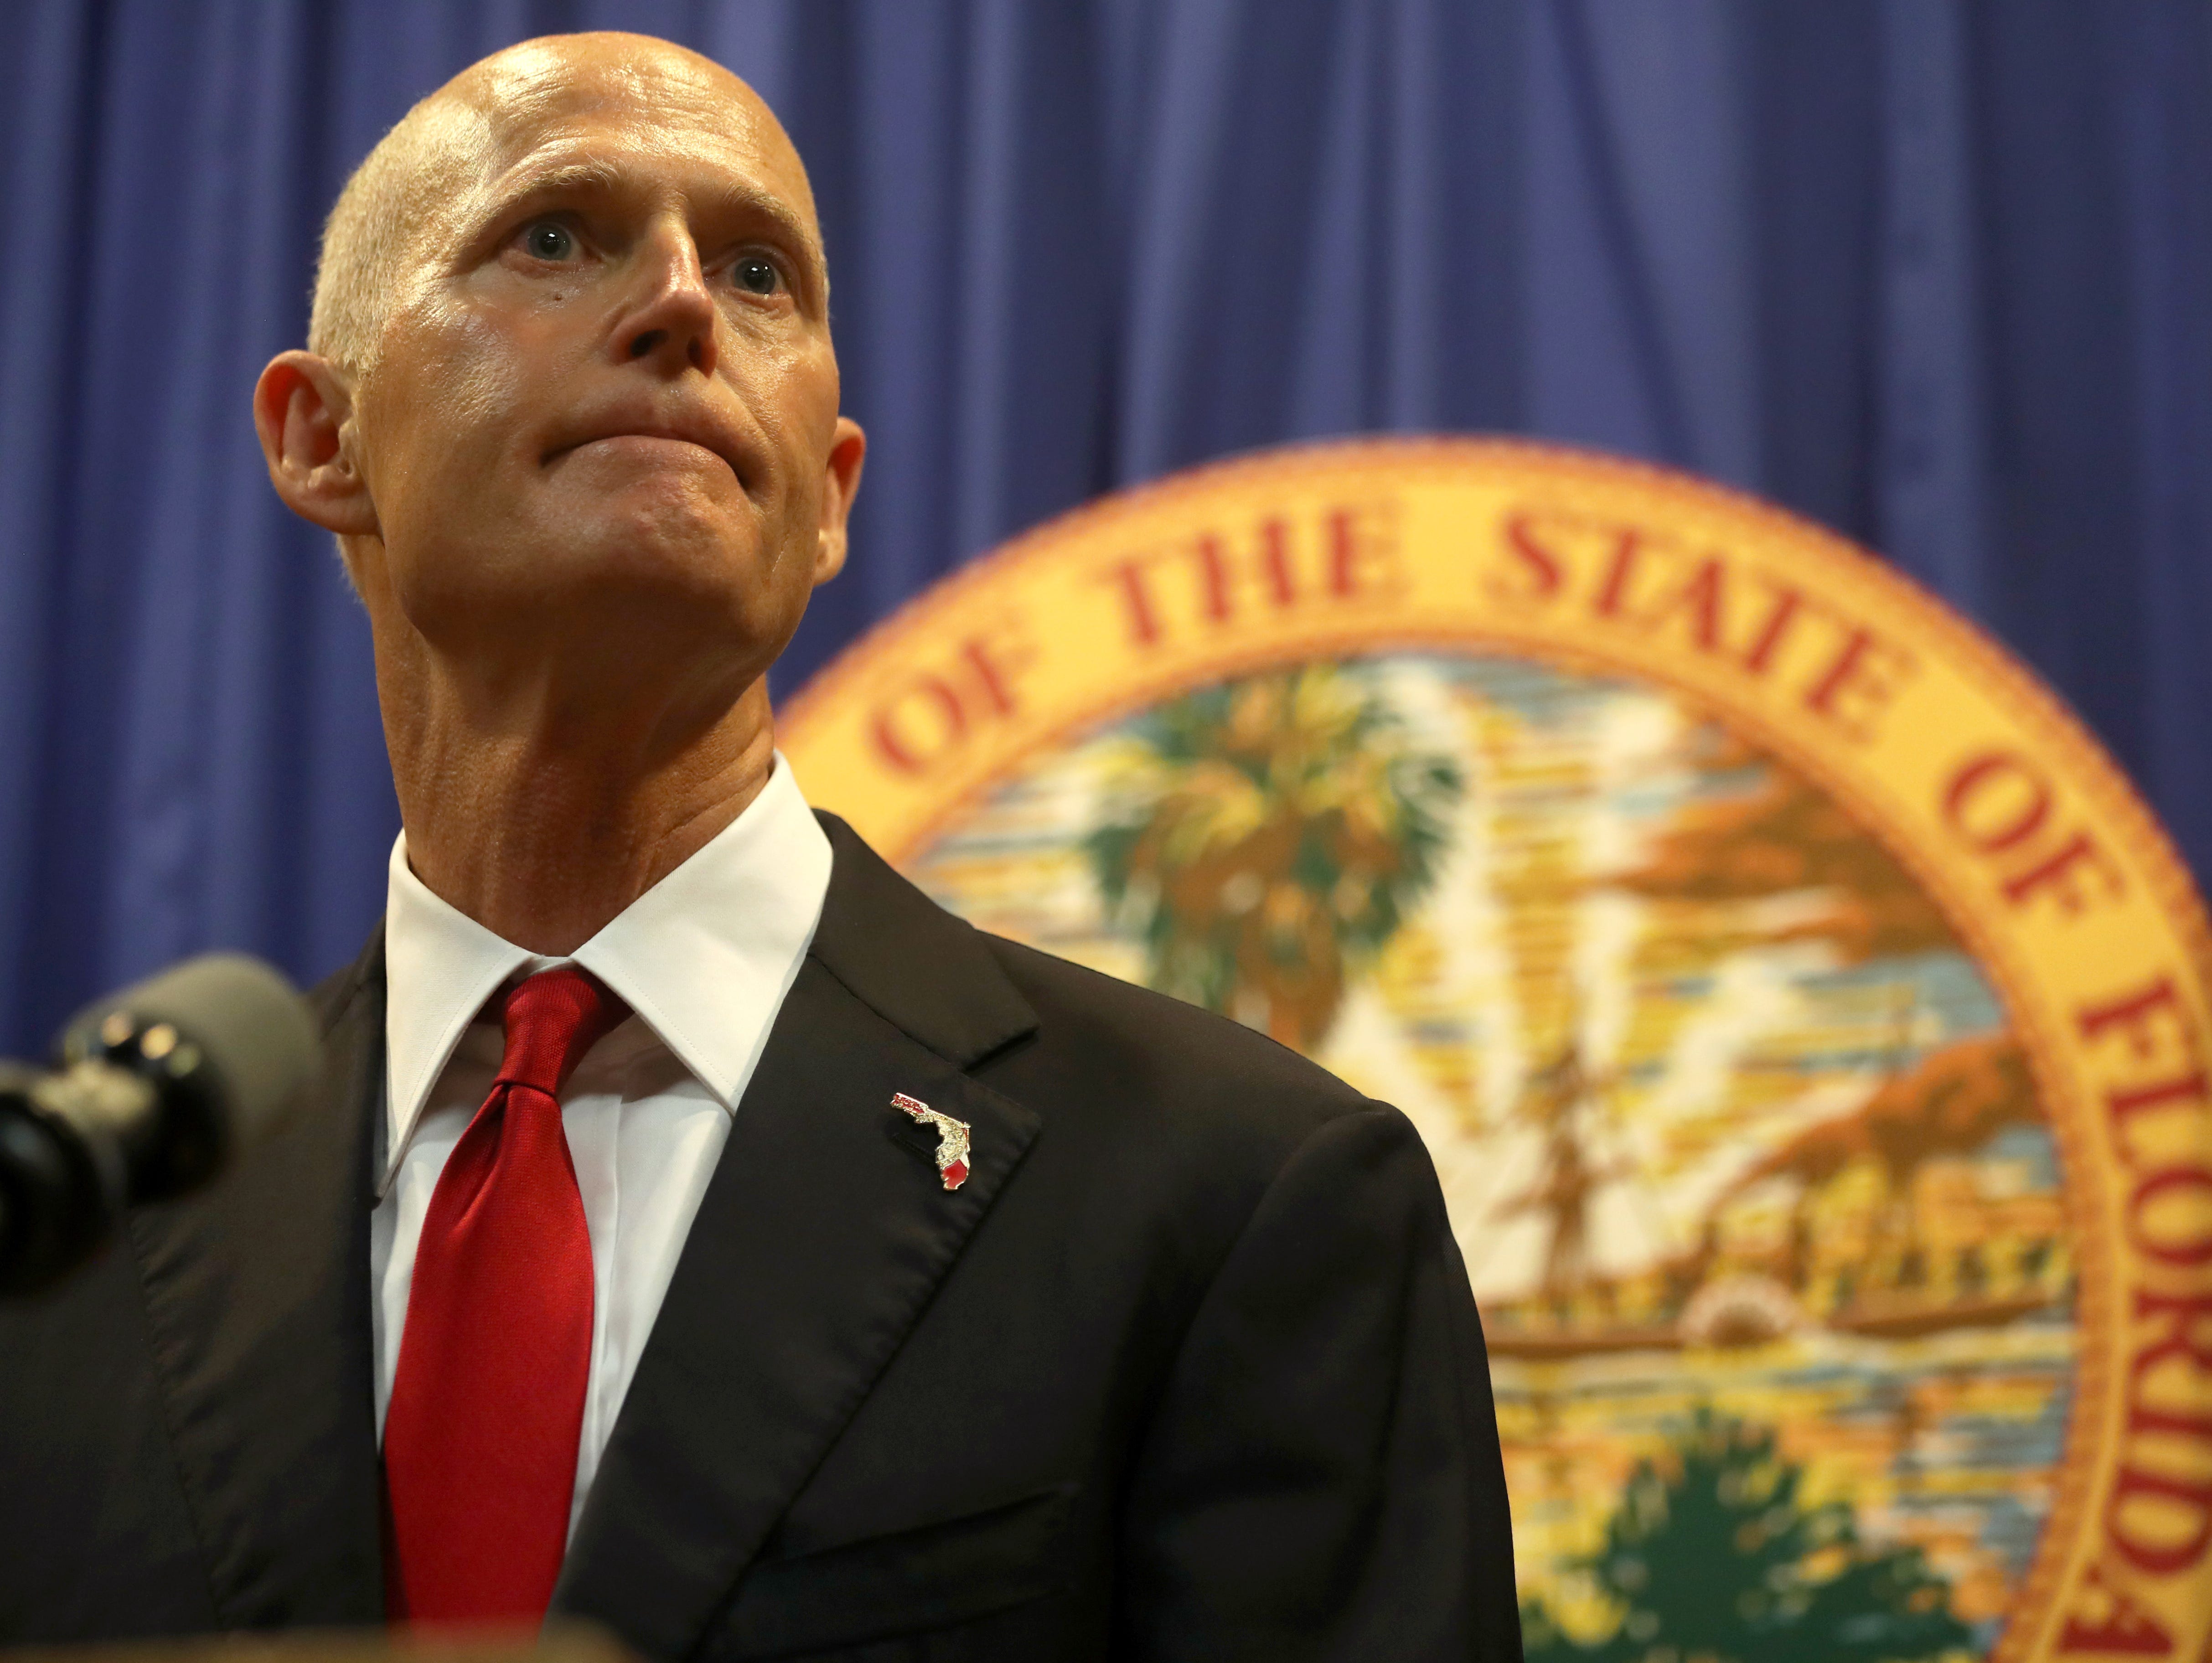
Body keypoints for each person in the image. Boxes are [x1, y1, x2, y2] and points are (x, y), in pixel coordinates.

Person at [0, 32, 1519, 1660]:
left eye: (757, 272)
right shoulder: (69, 1260)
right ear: (322, 439)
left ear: (827, 496)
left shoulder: (1239, 1198)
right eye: (558, 237)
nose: (679, 307)